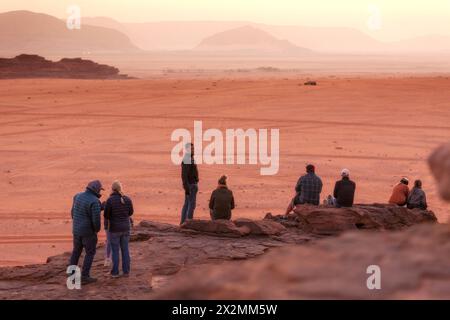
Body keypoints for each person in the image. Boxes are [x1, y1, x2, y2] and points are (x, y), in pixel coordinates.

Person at [69, 180, 104, 285]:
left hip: (76, 230)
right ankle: (84, 276)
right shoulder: (95, 201)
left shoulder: (77, 196)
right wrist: (96, 230)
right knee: (90, 253)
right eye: (99, 189)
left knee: (76, 252)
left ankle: (72, 276)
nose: (100, 191)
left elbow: (72, 213)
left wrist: (77, 224)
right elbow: (96, 220)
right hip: (88, 233)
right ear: (96, 189)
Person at [104, 180, 134, 278]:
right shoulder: (127, 199)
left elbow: (106, 215)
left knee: (115, 251)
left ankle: (115, 272)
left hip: (114, 229)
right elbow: (130, 213)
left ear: (112, 189)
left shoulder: (110, 200)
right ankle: (126, 272)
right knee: (125, 250)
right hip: (126, 228)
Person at [180, 143, 199, 224]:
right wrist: (187, 188)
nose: (193, 150)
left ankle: (183, 223)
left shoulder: (190, 158)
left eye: (193, 148)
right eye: (191, 149)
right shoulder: (187, 159)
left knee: (187, 204)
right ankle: (188, 223)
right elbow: (184, 175)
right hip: (190, 185)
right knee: (191, 205)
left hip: (191, 185)